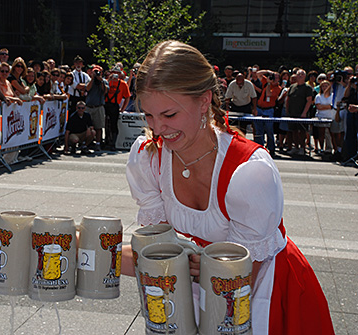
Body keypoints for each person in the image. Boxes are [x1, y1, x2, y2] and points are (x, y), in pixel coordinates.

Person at [123, 40, 334, 335]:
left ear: (204, 101)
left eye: (169, 115)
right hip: (195, 292)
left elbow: (239, 278)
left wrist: (195, 270)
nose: (157, 128)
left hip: (263, 292)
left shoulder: (249, 171)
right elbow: (162, 254)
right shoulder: (148, 157)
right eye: (148, 115)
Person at [253, 70, 282, 157]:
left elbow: (269, 94)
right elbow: (257, 74)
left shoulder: (278, 88)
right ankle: (259, 148)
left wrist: (269, 84)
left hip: (269, 110)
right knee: (259, 130)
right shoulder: (266, 81)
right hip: (259, 108)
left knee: (269, 130)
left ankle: (271, 148)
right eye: (274, 77)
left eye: (277, 78)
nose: (274, 79)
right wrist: (268, 72)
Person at [286, 69, 313, 156]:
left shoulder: (307, 88)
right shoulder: (292, 86)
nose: (300, 76)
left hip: (302, 114)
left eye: (302, 74)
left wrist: (304, 113)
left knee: (301, 132)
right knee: (293, 131)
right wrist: (287, 110)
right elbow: (288, 99)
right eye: (298, 74)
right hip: (292, 113)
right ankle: (296, 147)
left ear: (305, 76)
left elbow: (309, 101)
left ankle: (302, 148)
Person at [105, 66, 130, 149]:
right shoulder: (106, 82)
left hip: (115, 106)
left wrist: (123, 108)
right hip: (105, 104)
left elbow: (127, 97)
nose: (115, 75)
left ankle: (113, 143)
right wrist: (109, 80)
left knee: (113, 125)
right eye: (113, 72)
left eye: (117, 73)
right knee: (105, 124)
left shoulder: (123, 84)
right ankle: (106, 141)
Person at [85, 65, 108, 151]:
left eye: (98, 72)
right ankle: (88, 143)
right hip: (89, 106)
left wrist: (100, 80)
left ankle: (98, 143)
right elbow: (87, 88)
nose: (96, 73)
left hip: (99, 106)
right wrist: (93, 78)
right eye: (95, 72)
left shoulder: (104, 81)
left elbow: (105, 91)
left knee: (99, 127)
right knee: (88, 126)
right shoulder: (89, 80)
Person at [314, 80, 337, 153]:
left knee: (332, 134)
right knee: (321, 133)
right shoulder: (318, 96)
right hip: (321, 117)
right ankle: (321, 148)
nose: (325, 88)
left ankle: (333, 149)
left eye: (326, 86)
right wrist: (327, 106)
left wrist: (325, 106)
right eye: (323, 86)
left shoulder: (333, 95)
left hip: (331, 117)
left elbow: (332, 106)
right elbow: (318, 107)